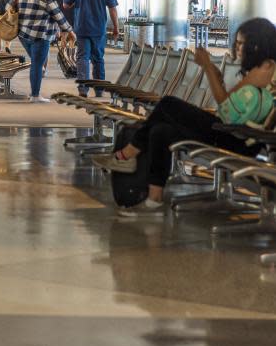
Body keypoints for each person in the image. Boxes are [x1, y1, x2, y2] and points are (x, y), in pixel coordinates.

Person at [93, 18, 276, 216]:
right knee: (161, 131)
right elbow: (230, 108)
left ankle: (125, 155)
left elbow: (226, 107)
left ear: (256, 45)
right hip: (232, 131)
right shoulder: (260, 68)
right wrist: (214, 75)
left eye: (242, 43)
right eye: (237, 43)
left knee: (168, 104)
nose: (238, 48)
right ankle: (154, 200)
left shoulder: (265, 67)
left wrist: (207, 67)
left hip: (238, 138)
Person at [62, 0, 120, 98]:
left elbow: (65, 4)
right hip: (99, 29)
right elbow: (112, 9)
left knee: (82, 58)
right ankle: (99, 90)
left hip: (82, 28)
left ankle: (83, 89)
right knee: (98, 59)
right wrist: (116, 28)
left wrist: (76, 2)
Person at [14, 0, 75, 103]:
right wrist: (70, 31)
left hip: (24, 36)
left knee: (37, 63)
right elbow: (59, 17)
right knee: (36, 64)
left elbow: (8, 9)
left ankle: (35, 90)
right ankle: (35, 95)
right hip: (41, 37)